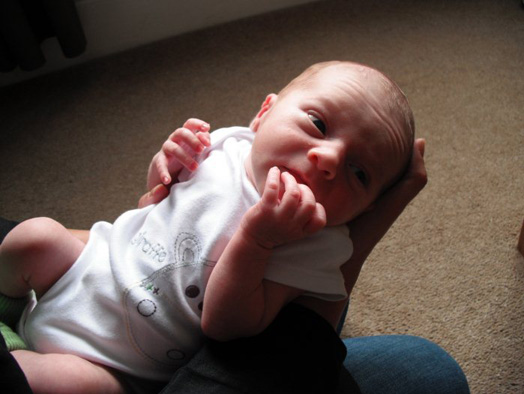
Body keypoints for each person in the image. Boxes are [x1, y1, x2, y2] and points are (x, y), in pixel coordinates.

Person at [0, 61, 445, 394]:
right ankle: (7, 308)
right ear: (264, 114)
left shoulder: (320, 247)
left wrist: (259, 239)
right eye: (318, 124)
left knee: (66, 387)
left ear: (364, 210)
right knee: (33, 237)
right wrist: (166, 168)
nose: (328, 160)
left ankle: (21, 354)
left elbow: (227, 327)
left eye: (359, 173)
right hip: (84, 271)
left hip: (112, 363)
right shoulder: (228, 144)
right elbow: (151, 209)